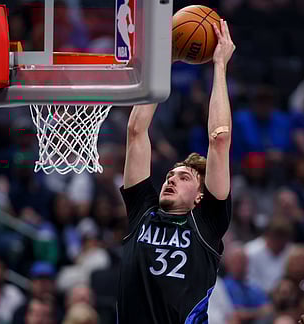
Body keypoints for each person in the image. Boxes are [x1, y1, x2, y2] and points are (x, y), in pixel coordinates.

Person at [116, 19, 235, 323]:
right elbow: (136, 131)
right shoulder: (143, 210)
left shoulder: (207, 223)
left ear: (200, 196)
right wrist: (164, 59)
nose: (171, 179)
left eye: (184, 178)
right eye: (170, 175)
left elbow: (219, 139)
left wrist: (219, 66)